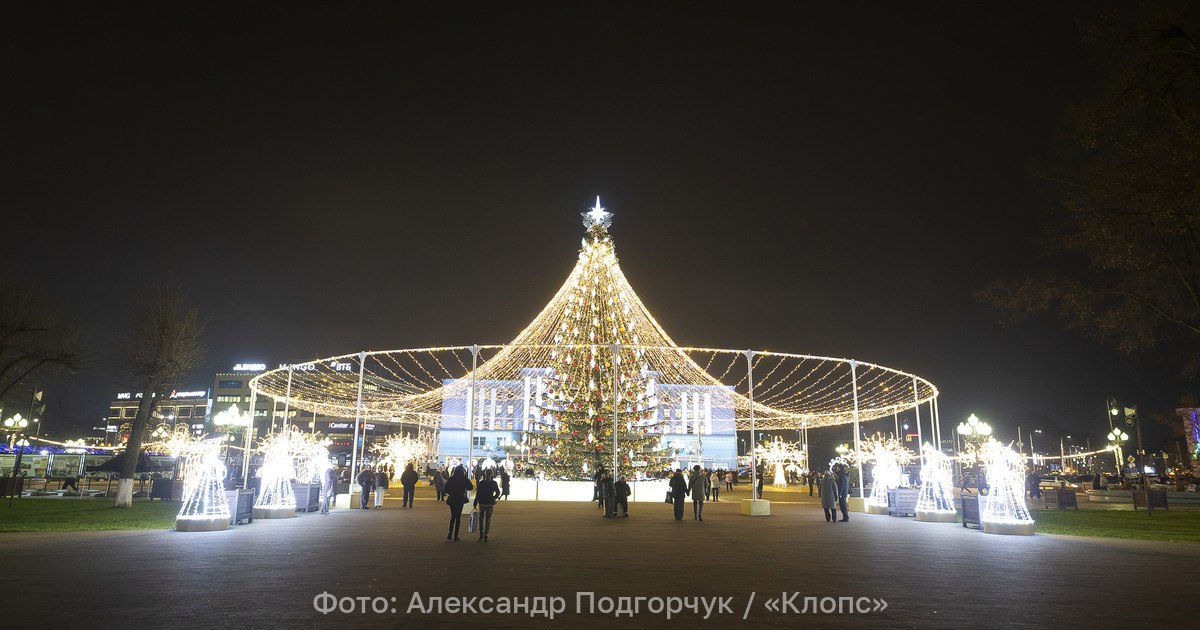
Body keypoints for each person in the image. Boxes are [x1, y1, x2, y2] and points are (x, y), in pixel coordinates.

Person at [443, 465, 473, 541]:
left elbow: (446, 489)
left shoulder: (451, 479)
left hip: (452, 498)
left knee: (453, 516)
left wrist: (452, 492)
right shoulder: (464, 479)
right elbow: (470, 487)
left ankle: (450, 533)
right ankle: (456, 535)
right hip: (460, 499)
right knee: (458, 517)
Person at [473, 469, 501, 541]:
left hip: (482, 502)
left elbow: (478, 493)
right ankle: (486, 534)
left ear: (485, 474)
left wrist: (475, 502)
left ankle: (481, 533)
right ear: (491, 474)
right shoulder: (494, 483)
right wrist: (494, 498)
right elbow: (498, 492)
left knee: (481, 518)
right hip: (489, 503)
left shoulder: (481, 483)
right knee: (488, 519)